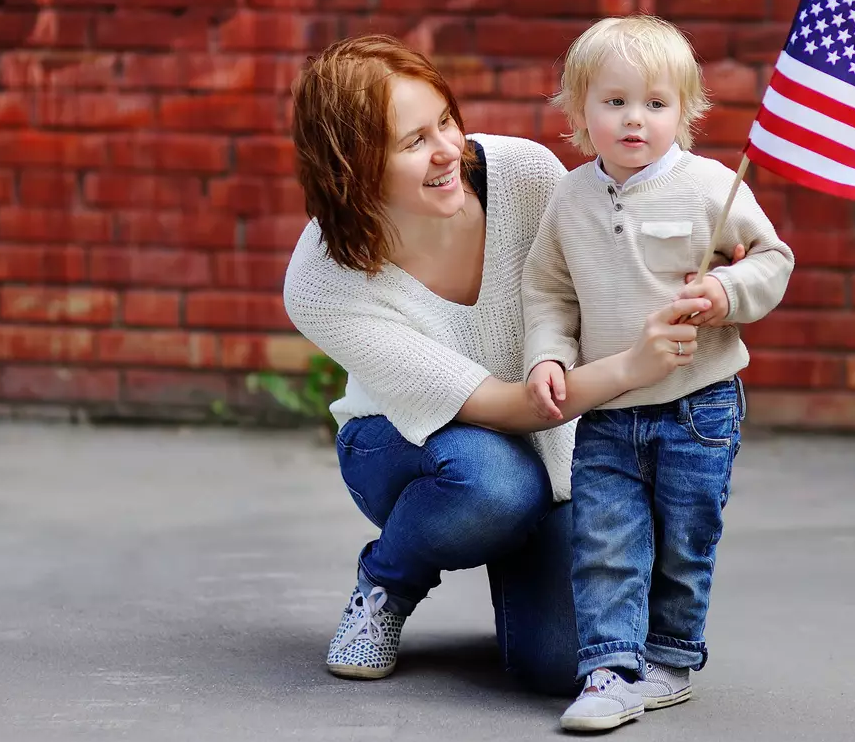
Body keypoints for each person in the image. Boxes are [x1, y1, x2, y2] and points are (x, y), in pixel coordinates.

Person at [281, 34, 744, 694]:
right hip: (406, 447)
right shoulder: (323, 282)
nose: (448, 150)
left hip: (553, 446)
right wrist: (631, 369)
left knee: (568, 665)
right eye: (413, 142)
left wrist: (695, 281)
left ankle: (524, 563)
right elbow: (501, 405)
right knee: (494, 484)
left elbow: (603, 285)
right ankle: (386, 582)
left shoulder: (525, 174)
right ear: (351, 165)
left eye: (445, 119)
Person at [521, 15, 795, 731]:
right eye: (613, 102)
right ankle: (609, 669)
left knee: (684, 536)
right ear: (580, 112)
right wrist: (547, 355)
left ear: (686, 111)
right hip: (610, 409)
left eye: (655, 104)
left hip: (698, 408)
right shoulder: (571, 199)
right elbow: (548, 292)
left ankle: (670, 658)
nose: (634, 120)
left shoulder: (710, 188)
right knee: (605, 538)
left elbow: (773, 260)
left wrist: (726, 293)